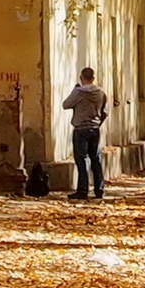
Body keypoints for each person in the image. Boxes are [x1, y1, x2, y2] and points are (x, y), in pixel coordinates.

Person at [63, 66, 107, 200]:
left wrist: (74, 90)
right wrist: (98, 123)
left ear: (81, 78)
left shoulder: (79, 92)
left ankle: (83, 190)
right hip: (94, 129)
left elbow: (66, 104)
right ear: (93, 78)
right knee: (95, 159)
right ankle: (99, 189)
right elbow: (105, 112)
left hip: (81, 129)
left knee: (81, 159)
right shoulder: (100, 93)